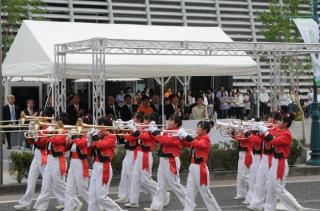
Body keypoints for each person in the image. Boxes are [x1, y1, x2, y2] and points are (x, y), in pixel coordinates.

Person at [144, 114, 186, 211]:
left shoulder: (177, 133)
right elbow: (157, 140)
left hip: (171, 160)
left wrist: (154, 131)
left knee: (175, 184)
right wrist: (151, 130)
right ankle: (156, 207)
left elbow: (164, 140)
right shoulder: (168, 131)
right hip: (163, 159)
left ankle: (189, 204)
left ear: (176, 124)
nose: (168, 122)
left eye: (171, 120)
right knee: (160, 185)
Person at [263, 113, 304, 211]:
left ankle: (297, 208)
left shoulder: (286, 134)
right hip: (275, 161)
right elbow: (269, 136)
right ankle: (268, 209)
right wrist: (263, 129)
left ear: (285, 124)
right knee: (270, 186)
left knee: (279, 189)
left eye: (281, 121)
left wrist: (265, 131)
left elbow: (274, 141)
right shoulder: (281, 131)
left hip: (280, 163)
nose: (279, 122)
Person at [88, 117, 126, 211]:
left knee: (101, 197)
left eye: (101, 125)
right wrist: (89, 140)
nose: (99, 127)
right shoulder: (98, 137)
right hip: (96, 166)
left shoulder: (112, 137)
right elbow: (89, 153)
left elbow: (101, 145)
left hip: (104, 167)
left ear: (107, 126)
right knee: (92, 196)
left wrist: (95, 136)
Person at [182, 121, 221, 211]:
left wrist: (187, 136)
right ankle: (188, 209)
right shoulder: (197, 138)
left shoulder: (206, 139)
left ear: (204, 130)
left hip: (200, 168)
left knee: (205, 193)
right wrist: (181, 137)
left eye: (199, 127)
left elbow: (199, 144)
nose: (197, 129)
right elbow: (186, 144)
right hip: (192, 167)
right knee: (189, 191)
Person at [33, 114, 69, 210]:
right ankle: (41, 207)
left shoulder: (65, 132)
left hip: (57, 160)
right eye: (56, 121)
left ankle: (72, 201)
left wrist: (50, 134)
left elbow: (58, 140)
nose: (55, 123)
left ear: (62, 123)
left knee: (58, 183)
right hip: (50, 159)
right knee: (45, 184)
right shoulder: (54, 131)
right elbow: (42, 142)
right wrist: (35, 132)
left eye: (58, 121)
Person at [248, 112, 282, 211]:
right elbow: (259, 140)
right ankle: (256, 204)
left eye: (270, 117)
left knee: (270, 183)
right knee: (259, 180)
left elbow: (271, 139)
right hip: (264, 157)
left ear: (275, 120)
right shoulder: (268, 128)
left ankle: (273, 203)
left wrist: (264, 130)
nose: (268, 119)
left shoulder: (277, 129)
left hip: (271, 157)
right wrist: (250, 131)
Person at [13, 120, 49, 210]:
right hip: (36, 154)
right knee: (31, 179)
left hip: (43, 155)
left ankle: (70, 201)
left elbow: (42, 143)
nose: (38, 120)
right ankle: (26, 203)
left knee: (49, 182)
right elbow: (30, 142)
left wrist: (35, 133)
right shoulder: (39, 126)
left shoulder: (48, 128)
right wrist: (30, 130)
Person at [116, 112, 144, 203]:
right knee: (124, 175)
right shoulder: (133, 127)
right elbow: (123, 135)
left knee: (132, 176)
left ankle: (133, 197)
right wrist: (120, 126)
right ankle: (123, 196)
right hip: (128, 153)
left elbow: (130, 138)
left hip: (134, 153)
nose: (133, 119)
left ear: (139, 119)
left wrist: (124, 128)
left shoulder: (139, 128)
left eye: (135, 118)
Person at [63, 127, 90, 211]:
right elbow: (64, 149)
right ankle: (69, 208)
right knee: (69, 188)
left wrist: (74, 136)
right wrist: (67, 139)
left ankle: (94, 204)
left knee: (82, 189)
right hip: (73, 164)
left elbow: (81, 144)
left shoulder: (85, 137)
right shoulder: (74, 139)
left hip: (80, 163)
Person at [243, 121, 263, 205]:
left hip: (260, 158)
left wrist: (246, 132)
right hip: (256, 157)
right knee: (252, 179)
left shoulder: (261, 137)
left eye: (255, 130)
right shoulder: (257, 135)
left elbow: (255, 140)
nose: (253, 131)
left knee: (257, 180)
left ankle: (257, 200)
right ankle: (250, 199)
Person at [232, 124, 253, 200]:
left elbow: (242, 139)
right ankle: (241, 193)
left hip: (246, 154)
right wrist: (232, 131)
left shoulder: (249, 133)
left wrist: (239, 132)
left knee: (244, 175)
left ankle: (252, 190)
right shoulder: (242, 133)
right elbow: (237, 138)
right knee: (239, 175)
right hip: (241, 154)